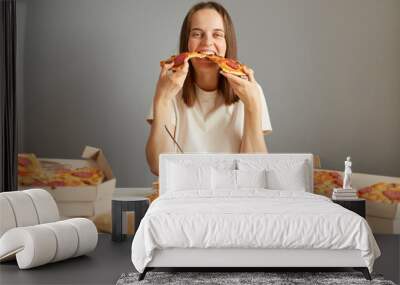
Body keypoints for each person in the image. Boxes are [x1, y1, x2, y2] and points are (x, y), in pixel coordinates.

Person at [146, 1, 272, 175]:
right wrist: (162, 99)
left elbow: (255, 169)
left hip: (234, 195)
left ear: (228, 43)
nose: (207, 43)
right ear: (187, 43)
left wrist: (252, 105)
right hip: (183, 195)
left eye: (217, 34)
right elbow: (157, 167)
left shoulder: (250, 88)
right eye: (197, 34)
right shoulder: (169, 86)